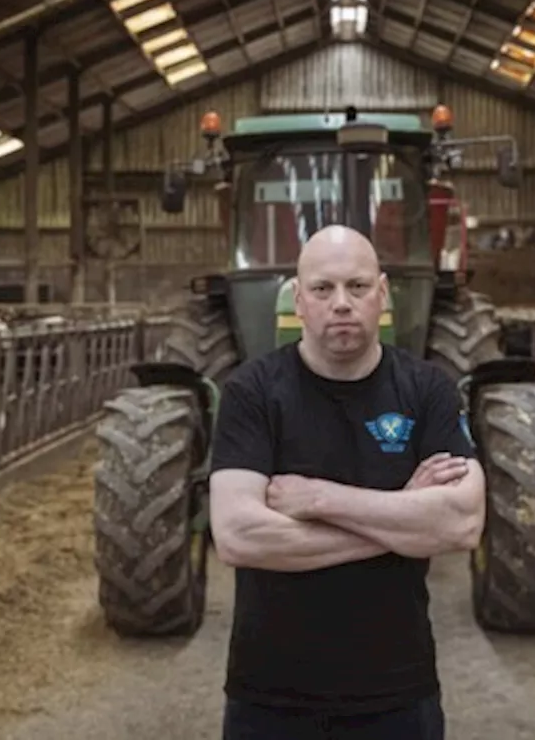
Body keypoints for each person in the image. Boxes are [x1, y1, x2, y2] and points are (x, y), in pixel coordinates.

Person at [208, 223, 486, 740]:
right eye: (322, 289)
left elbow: (462, 524)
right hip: (270, 697)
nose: (341, 303)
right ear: (298, 299)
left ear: (382, 294)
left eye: (357, 287)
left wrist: (319, 498)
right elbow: (237, 535)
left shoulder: (428, 391)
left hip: (397, 696)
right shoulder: (252, 393)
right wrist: (401, 515)